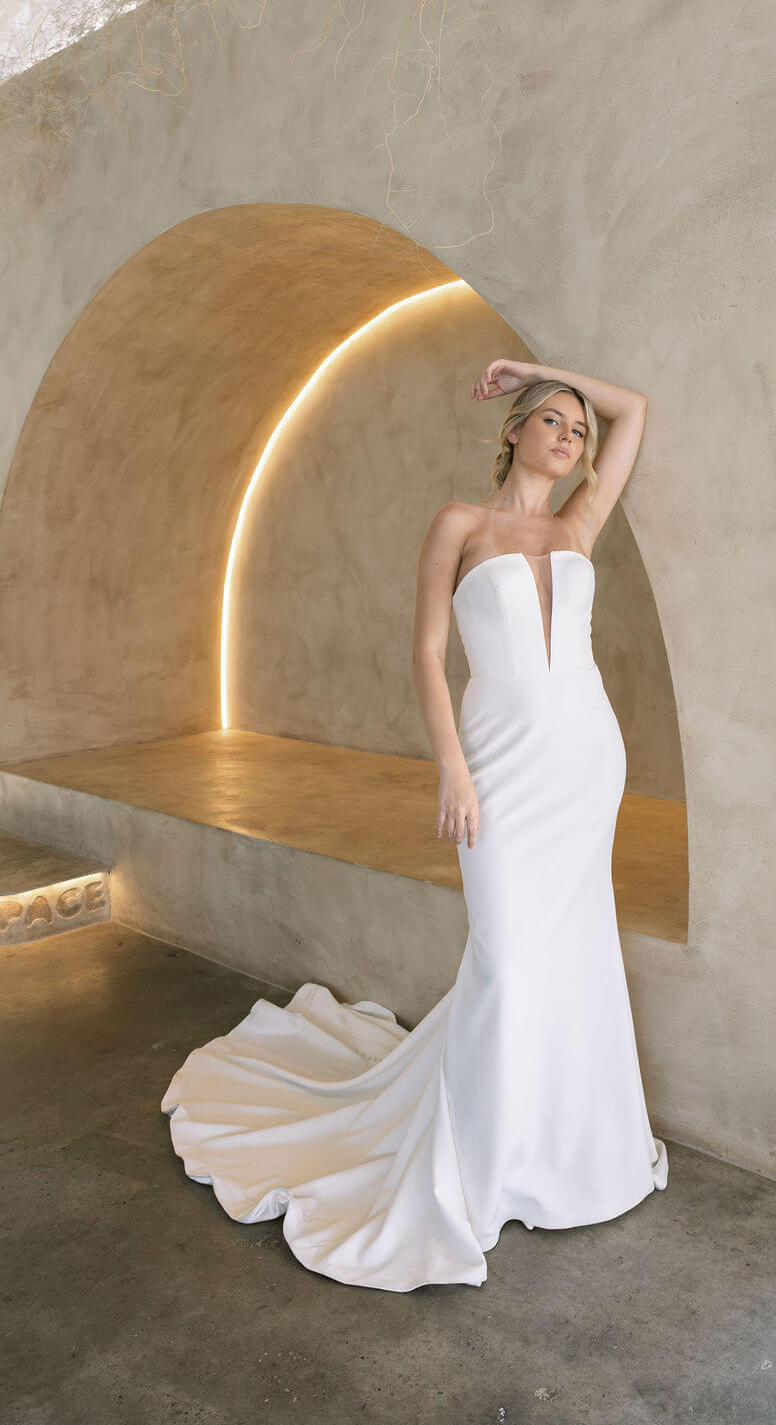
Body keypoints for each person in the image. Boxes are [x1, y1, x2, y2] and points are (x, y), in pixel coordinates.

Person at [161, 357, 668, 1292]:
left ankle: (561, 1150)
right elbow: (428, 655)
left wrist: (539, 368)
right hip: (501, 761)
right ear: (511, 430)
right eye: (550, 419)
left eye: (576, 430)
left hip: (585, 756)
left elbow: (632, 408)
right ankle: (479, 1163)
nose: (570, 435)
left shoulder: (577, 524)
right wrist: (453, 769)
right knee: (509, 957)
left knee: (574, 950)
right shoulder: (461, 524)